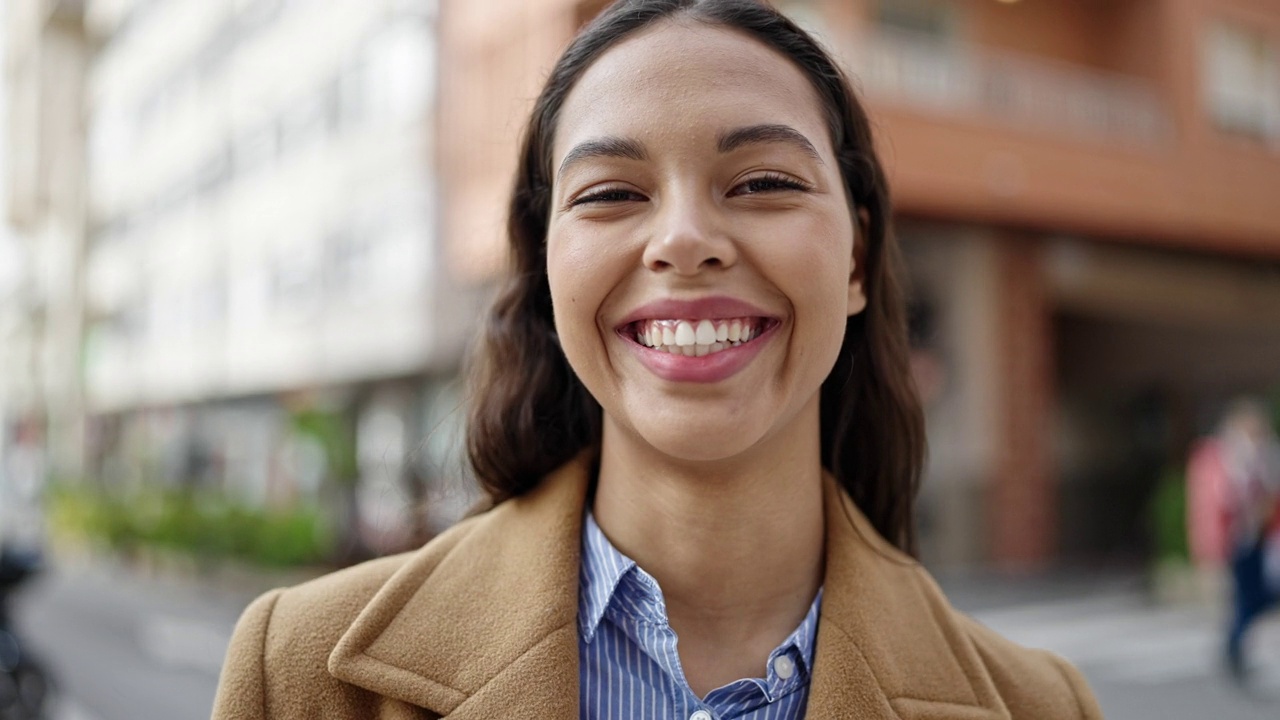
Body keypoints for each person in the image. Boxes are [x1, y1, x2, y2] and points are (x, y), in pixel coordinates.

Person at [213, 1, 1102, 717]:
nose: (683, 240)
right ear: (546, 262)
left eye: (762, 182)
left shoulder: (1043, 708)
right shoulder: (301, 677)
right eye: (611, 194)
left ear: (859, 258)